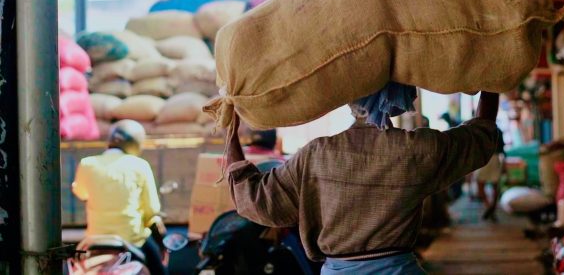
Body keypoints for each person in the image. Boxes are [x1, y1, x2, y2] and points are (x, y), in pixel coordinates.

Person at [225, 83, 500, 274]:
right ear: (401, 98)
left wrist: (230, 132)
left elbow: (253, 198)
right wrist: (492, 84)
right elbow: (480, 137)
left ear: (350, 99)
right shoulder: (418, 151)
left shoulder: (317, 155)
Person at [72, 120, 167, 275]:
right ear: (136, 143)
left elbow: (81, 193)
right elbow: (151, 212)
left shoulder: (87, 164)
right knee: (160, 270)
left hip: (94, 241)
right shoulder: (140, 165)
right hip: (133, 241)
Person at [474, 126, 506, 222]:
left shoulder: (479, 129)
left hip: (484, 158)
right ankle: (492, 207)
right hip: (495, 158)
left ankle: (489, 207)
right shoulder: (498, 130)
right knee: (495, 185)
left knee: (480, 185)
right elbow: (502, 149)